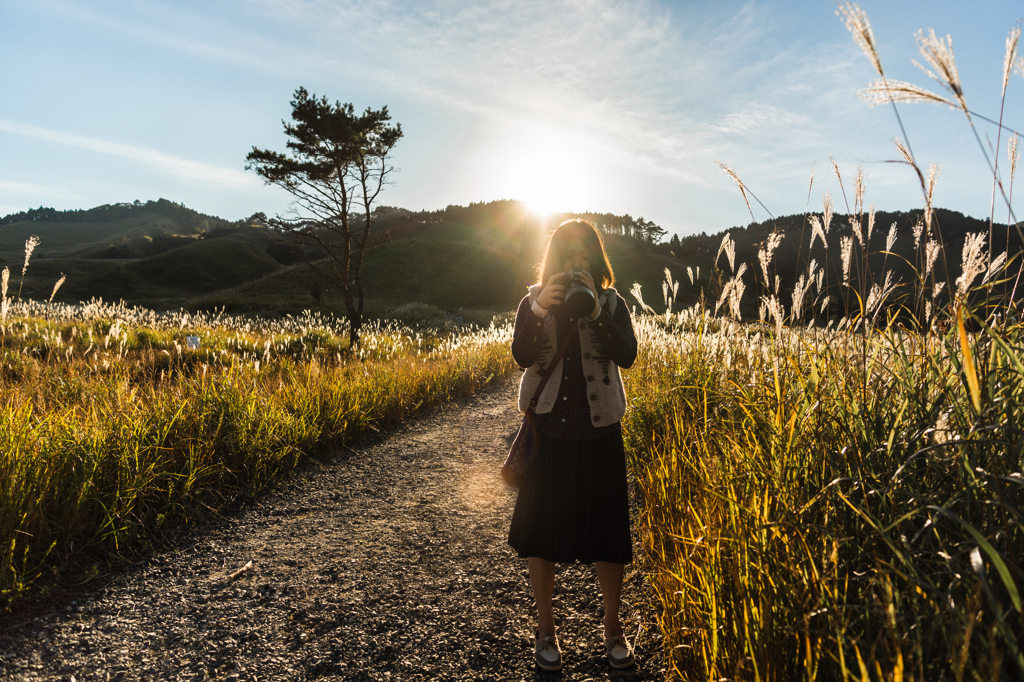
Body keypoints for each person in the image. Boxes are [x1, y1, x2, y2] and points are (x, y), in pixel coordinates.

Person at [508, 218, 638, 672]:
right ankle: (545, 629)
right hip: (550, 429)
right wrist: (540, 308)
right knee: (542, 534)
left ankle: (613, 628)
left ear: (596, 260)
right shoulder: (533, 301)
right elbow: (521, 355)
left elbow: (628, 356)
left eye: (585, 256)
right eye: (568, 256)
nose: (577, 264)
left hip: (600, 429)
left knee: (607, 535)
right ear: (555, 261)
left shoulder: (612, 302)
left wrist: (598, 314)